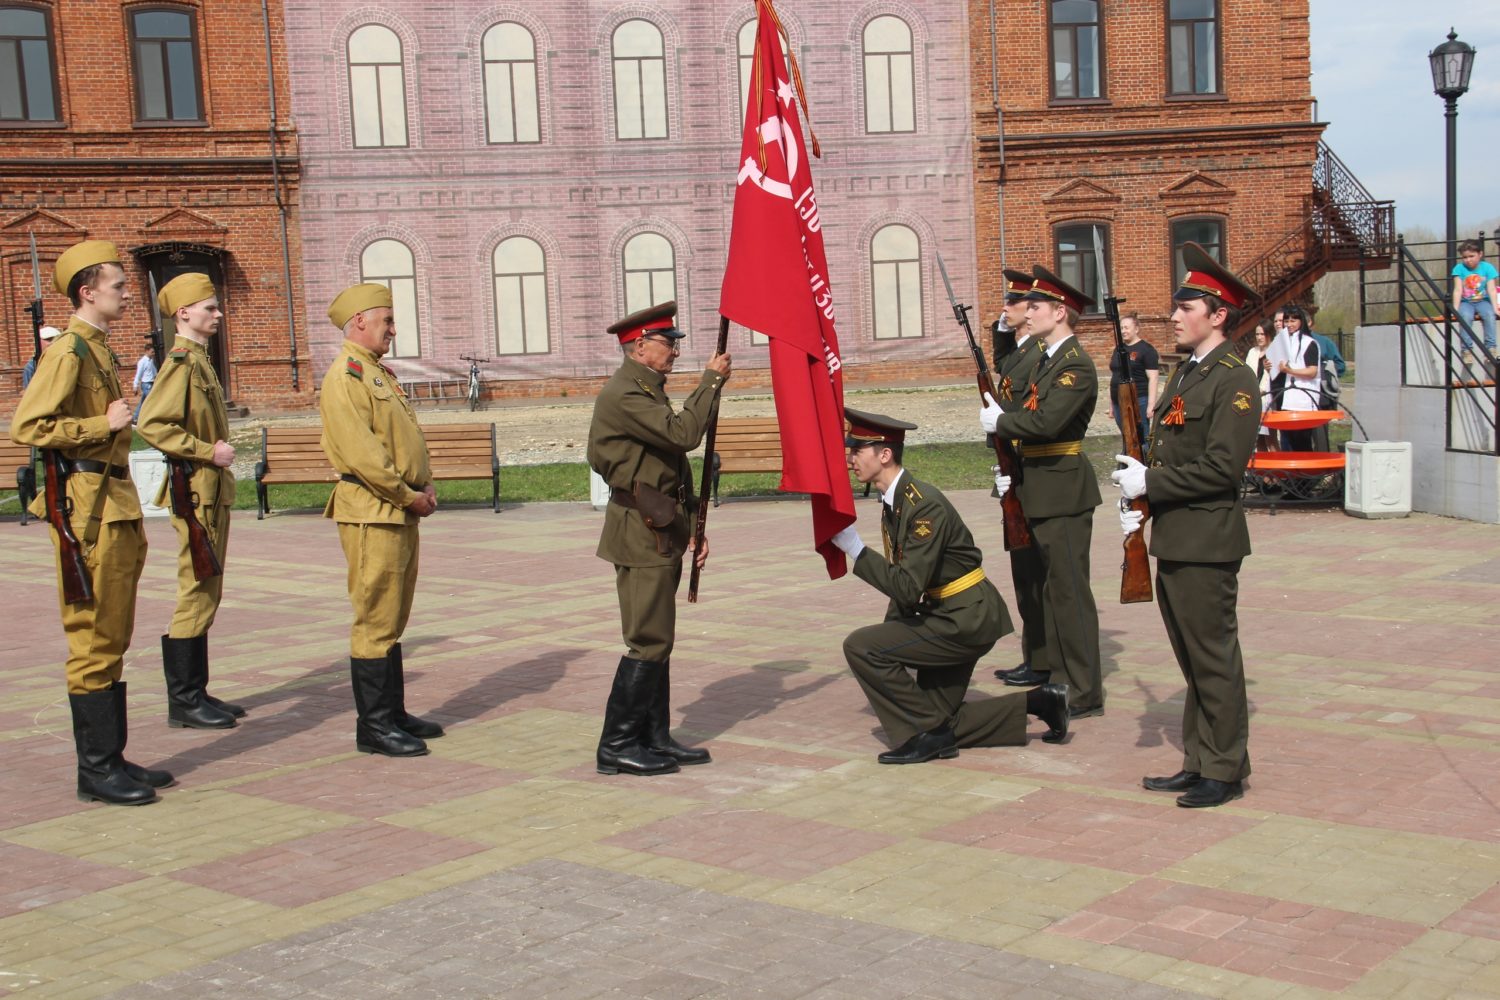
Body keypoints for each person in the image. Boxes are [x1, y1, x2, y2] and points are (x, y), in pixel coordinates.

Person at [10, 240, 173, 806]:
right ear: (88, 291)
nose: (126, 294)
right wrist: (98, 426)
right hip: (89, 506)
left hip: (115, 502)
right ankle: (96, 769)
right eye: (118, 286)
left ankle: (113, 756)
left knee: (114, 633)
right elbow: (29, 426)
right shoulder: (69, 352)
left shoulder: (97, 349)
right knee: (94, 639)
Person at [830, 407, 1068, 763]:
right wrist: (895, 634)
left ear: (884, 454)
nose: (851, 460)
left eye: (857, 450)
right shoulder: (894, 503)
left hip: (964, 619)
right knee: (937, 717)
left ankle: (927, 736)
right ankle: (1041, 702)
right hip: (948, 613)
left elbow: (908, 586)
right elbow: (907, 581)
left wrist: (855, 549)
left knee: (862, 647)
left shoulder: (922, 506)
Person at [1112, 242, 1259, 808]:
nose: (1173, 315)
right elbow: (1171, 451)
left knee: (1213, 656)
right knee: (1193, 659)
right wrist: (1140, 485)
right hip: (1177, 535)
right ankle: (1200, 760)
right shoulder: (1185, 374)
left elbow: (1222, 468)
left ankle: (1224, 767)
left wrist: (1153, 485)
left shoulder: (1233, 379)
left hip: (1206, 538)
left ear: (1218, 315)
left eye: (1186, 306)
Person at [587, 301, 731, 776]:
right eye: (668, 343)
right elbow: (684, 433)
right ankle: (617, 745)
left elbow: (668, 469)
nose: (674, 350)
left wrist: (692, 529)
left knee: (660, 639)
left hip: (659, 528)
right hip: (639, 534)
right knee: (648, 640)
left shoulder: (645, 387)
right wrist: (710, 382)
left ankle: (654, 736)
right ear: (639, 346)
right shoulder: (625, 393)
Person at [319, 283, 445, 758]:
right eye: (386, 321)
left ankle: (392, 713)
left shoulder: (375, 372)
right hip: (374, 511)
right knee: (375, 615)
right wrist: (406, 495)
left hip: (396, 508)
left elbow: (402, 439)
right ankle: (373, 727)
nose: (393, 329)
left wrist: (424, 483)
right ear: (359, 323)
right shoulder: (346, 376)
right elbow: (364, 454)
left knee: (393, 614)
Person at [980, 267, 1104, 719]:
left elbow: (1048, 421)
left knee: (1069, 593)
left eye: (1035, 306)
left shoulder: (1074, 364)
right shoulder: (1049, 358)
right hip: (1036, 483)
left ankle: (1084, 689)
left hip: (1063, 489)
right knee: (1048, 590)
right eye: (1027, 305)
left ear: (1060, 312)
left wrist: (1002, 423)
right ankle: (1054, 672)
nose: (1027, 313)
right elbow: (1023, 406)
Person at [136, 273, 242, 730]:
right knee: (196, 589)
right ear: (184, 314)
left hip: (209, 491)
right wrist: (207, 451)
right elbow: (152, 423)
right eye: (209, 308)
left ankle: (195, 690)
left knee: (208, 589)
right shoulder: (181, 363)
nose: (217, 314)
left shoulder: (200, 361)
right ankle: (183, 699)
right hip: (195, 490)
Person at [986, 269, 1050, 688]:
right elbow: (1001, 366)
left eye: (1012, 303)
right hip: (1013, 468)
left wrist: (1003, 425)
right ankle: (1035, 656)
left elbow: (1022, 406)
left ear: (1031, 309)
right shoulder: (1020, 351)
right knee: (1022, 575)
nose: (1004, 307)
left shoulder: (1040, 355)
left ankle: (1043, 659)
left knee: (1035, 574)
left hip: (1029, 469)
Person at [1107, 312, 1159, 447]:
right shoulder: (1119, 349)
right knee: (1126, 435)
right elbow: (1115, 375)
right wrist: (1111, 403)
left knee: (1141, 436)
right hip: (1118, 399)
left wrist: (1150, 405)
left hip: (1138, 399)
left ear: (1136, 329)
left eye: (1126, 327)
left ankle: (1144, 464)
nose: (1123, 331)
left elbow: (1153, 377)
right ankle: (1129, 462)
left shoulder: (1146, 350)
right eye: (1122, 328)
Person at [1275, 305, 1320, 450]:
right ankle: (1294, 472)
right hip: (1289, 399)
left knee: (1303, 442)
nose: (1289, 324)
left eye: (1293, 320)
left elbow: (1312, 371)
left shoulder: (1309, 343)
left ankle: (1307, 472)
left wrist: (1290, 370)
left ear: (1302, 321)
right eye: (1286, 321)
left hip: (1304, 400)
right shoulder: (1286, 341)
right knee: (1290, 442)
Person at [1451, 239, 1499, 359]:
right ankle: (1466, 350)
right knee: (1466, 316)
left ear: (1480, 254)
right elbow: (1457, 290)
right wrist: (1455, 309)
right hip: (1466, 302)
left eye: (1471, 256)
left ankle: (1491, 348)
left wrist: (1496, 308)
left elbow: (1492, 289)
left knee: (1489, 314)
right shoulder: (1459, 268)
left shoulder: (1487, 268)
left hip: (1483, 300)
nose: (1468, 260)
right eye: (1465, 257)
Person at [1243, 324, 1275, 451]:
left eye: (1262, 334)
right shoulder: (1252, 352)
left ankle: (1277, 469)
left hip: (1268, 399)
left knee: (1271, 440)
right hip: (1254, 397)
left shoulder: (1273, 351)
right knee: (1258, 438)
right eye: (1257, 334)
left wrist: (1262, 390)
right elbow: (1248, 373)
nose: (1259, 337)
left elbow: (1271, 376)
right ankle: (1262, 469)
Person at [21, 325, 61, 389]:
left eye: (56, 339)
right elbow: (29, 393)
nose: (52, 343)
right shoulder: (32, 366)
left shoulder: (66, 360)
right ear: (38, 342)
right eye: (48, 339)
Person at [132, 346, 157, 423]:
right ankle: (152, 418)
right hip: (146, 384)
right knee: (152, 400)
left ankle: (135, 417)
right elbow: (138, 374)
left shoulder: (151, 361)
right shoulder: (142, 362)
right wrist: (135, 386)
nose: (153, 353)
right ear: (146, 351)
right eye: (152, 352)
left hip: (151, 383)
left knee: (143, 401)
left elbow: (154, 372)